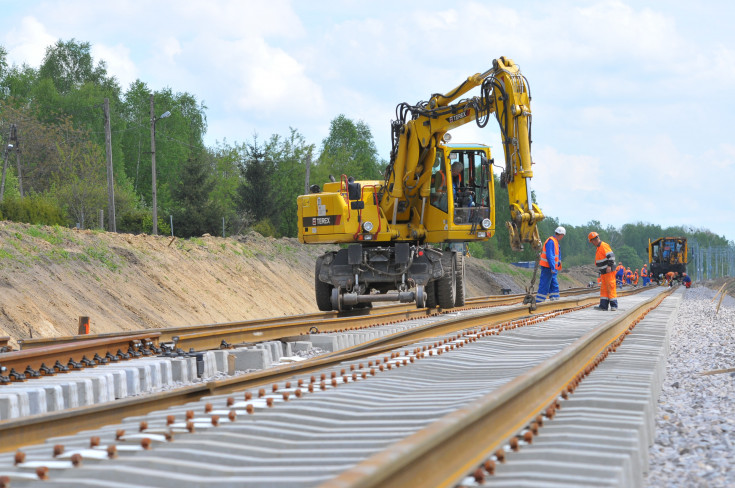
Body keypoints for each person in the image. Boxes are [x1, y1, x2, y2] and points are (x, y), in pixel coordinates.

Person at [588, 232, 618, 311]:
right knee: (604, 289)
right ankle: (603, 306)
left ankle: (614, 305)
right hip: (604, 272)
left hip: (609, 271)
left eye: (592, 242)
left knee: (610, 287)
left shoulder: (603, 246)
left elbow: (611, 256)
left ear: (594, 240)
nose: (592, 243)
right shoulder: (599, 247)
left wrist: (609, 266)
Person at [536, 226, 566, 303]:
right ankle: (539, 301)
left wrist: (555, 267)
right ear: (561, 234)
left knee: (554, 284)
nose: (563, 237)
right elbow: (550, 256)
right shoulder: (551, 242)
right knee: (544, 284)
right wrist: (553, 267)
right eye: (563, 235)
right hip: (548, 267)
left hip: (552, 268)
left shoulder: (554, 241)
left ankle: (555, 300)